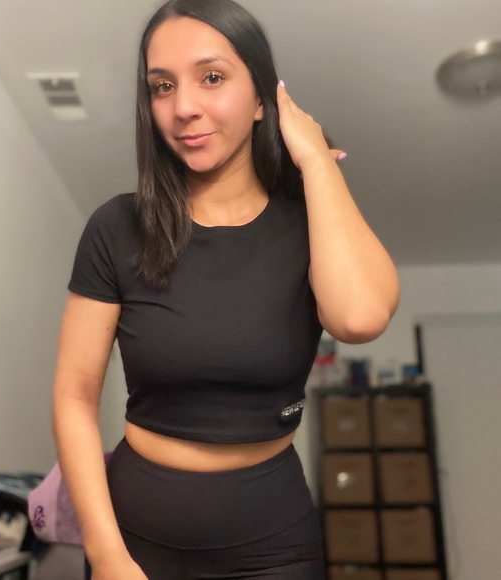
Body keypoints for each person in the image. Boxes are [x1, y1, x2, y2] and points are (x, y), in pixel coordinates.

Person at [52, 0, 399, 578]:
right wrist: (106, 555)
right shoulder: (116, 227)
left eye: (211, 77)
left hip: (273, 547)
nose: (184, 107)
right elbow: (74, 398)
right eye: (162, 86)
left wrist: (316, 162)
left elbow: (360, 318)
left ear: (262, 98)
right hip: (134, 539)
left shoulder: (310, 225)